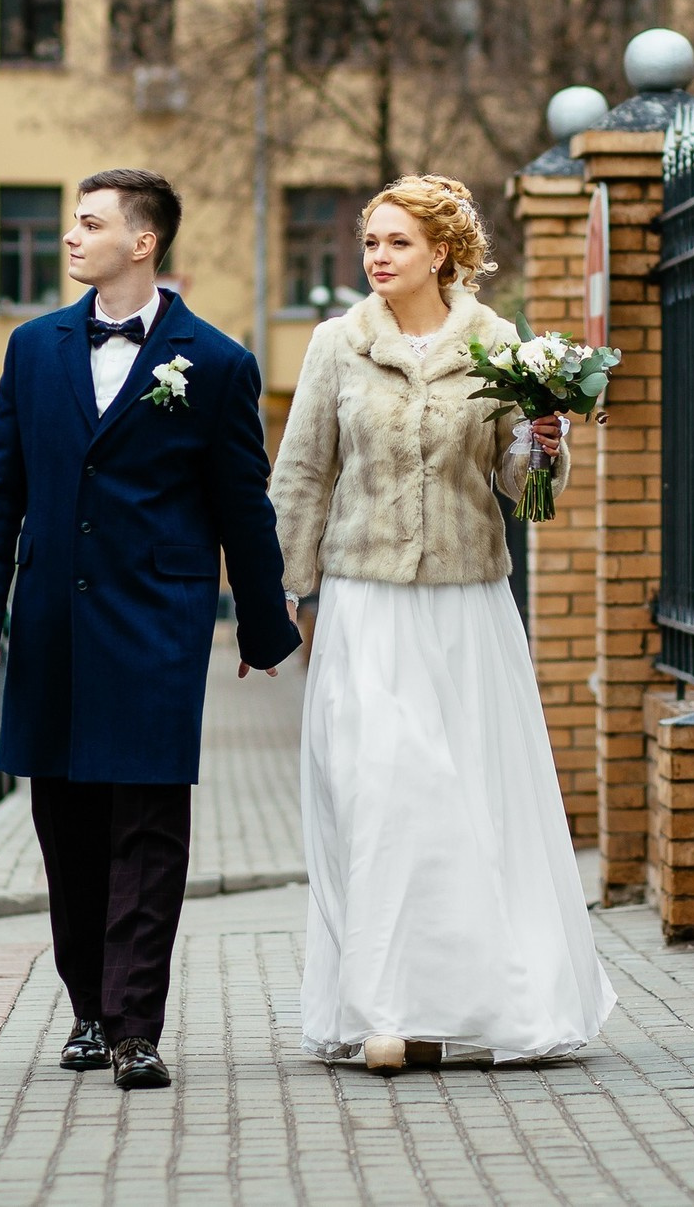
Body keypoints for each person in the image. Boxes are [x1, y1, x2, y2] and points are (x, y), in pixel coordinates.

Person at [0, 167, 302, 1091]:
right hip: (53, 624)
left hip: (156, 625)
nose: (70, 236)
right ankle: (89, 1010)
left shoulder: (216, 363)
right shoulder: (33, 349)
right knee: (66, 829)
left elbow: (243, 505)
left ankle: (136, 1027)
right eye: (73, 221)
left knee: (148, 829)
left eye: (89, 222)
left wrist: (263, 625)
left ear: (143, 242)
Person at [269, 174, 616, 1072]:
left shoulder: (499, 345)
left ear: (443, 253)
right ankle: (384, 1009)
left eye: (397, 242)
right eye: (370, 241)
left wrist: (543, 443)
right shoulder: (337, 344)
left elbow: (523, 487)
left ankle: (468, 1001)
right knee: (379, 791)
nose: (377, 257)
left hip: (465, 605)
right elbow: (303, 473)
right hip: (365, 603)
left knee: (462, 800)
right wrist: (283, 593)